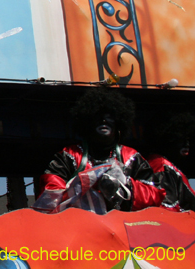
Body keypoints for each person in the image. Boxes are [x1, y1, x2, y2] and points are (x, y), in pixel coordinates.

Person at [34, 88, 162, 213]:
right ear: (87, 123)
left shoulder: (131, 157)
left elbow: (155, 196)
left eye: (110, 116)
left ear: (119, 123)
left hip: (122, 224)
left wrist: (125, 183)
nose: (104, 120)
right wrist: (80, 186)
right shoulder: (69, 156)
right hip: (79, 223)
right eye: (97, 116)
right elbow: (49, 195)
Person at [144, 111, 195, 212]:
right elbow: (167, 210)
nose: (187, 144)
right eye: (181, 139)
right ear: (167, 140)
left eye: (188, 139)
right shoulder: (162, 168)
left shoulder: (162, 165)